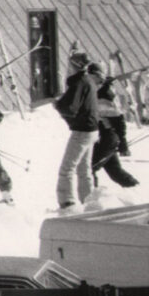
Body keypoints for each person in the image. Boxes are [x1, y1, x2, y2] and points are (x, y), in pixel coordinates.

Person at [53, 50, 100, 211]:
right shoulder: (89, 81)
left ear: (74, 65)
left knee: (67, 168)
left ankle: (67, 202)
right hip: (92, 129)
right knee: (84, 169)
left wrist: (58, 104)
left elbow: (71, 107)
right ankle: (89, 201)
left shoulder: (78, 83)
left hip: (81, 130)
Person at [92, 76, 140, 187]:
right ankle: (135, 188)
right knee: (114, 170)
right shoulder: (97, 94)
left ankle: (89, 198)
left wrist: (123, 144)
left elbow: (119, 121)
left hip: (107, 139)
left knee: (88, 168)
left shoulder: (103, 97)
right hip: (103, 138)